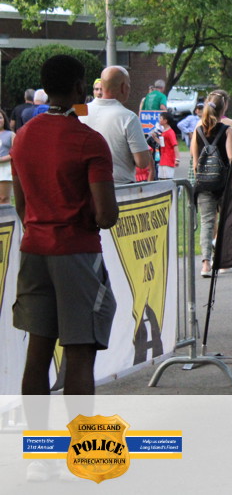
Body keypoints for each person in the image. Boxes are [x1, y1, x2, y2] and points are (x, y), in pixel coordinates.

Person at [11, 54, 118, 395]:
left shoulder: (22, 136)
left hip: (34, 250)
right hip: (76, 252)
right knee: (80, 353)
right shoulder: (89, 141)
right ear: (79, 87)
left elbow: (21, 205)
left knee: (37, 353)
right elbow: (106, 215)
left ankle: (38, 431)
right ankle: (79, 431)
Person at [191, 91, 232, 276]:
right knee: (226, 221)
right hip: (223, 183)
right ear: (223, 109)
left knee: (207, 223)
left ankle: (205, 264)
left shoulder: (198, 131)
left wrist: (201, 178)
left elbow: (195, 162)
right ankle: (222, 260)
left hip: (204, 185)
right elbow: (231, 157)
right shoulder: (228, 130)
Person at [82, 66, 152, 184]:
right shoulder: (129, 117)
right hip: (119, 187)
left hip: (85, 184)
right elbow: (142, 162)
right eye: (129, 85)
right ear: (124, 87)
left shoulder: (80, 111)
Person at [0, 109, 14, 204]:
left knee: (3, 198)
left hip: (5, 170)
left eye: (0, 118)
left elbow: (15, 153)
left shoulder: (10, 134)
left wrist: (1, 159)